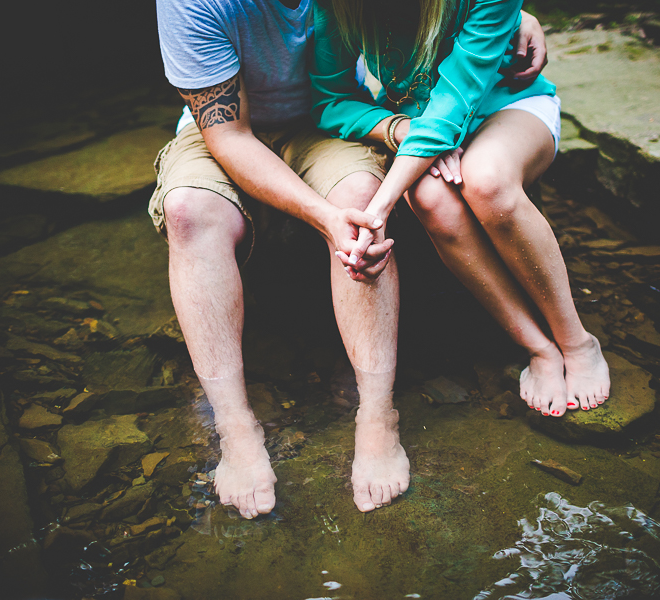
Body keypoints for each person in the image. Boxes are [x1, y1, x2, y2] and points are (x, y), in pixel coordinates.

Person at [151, 0, 550, 517]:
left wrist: (515, 16)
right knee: (188, 211)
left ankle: (378, 415)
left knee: (360, 199)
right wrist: (321, 216)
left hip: (331, 121)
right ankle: (235, 428)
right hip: (227, 133)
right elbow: (229, 136)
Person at [311, 0, 610, 421]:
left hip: (506, 106)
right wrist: (403, 130)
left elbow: (457, 97)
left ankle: (578, 342)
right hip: (419, 123)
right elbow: (330, 100)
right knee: (430, 199)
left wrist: (379, 209)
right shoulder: (337, 6)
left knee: (487, 181)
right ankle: (538, 347)